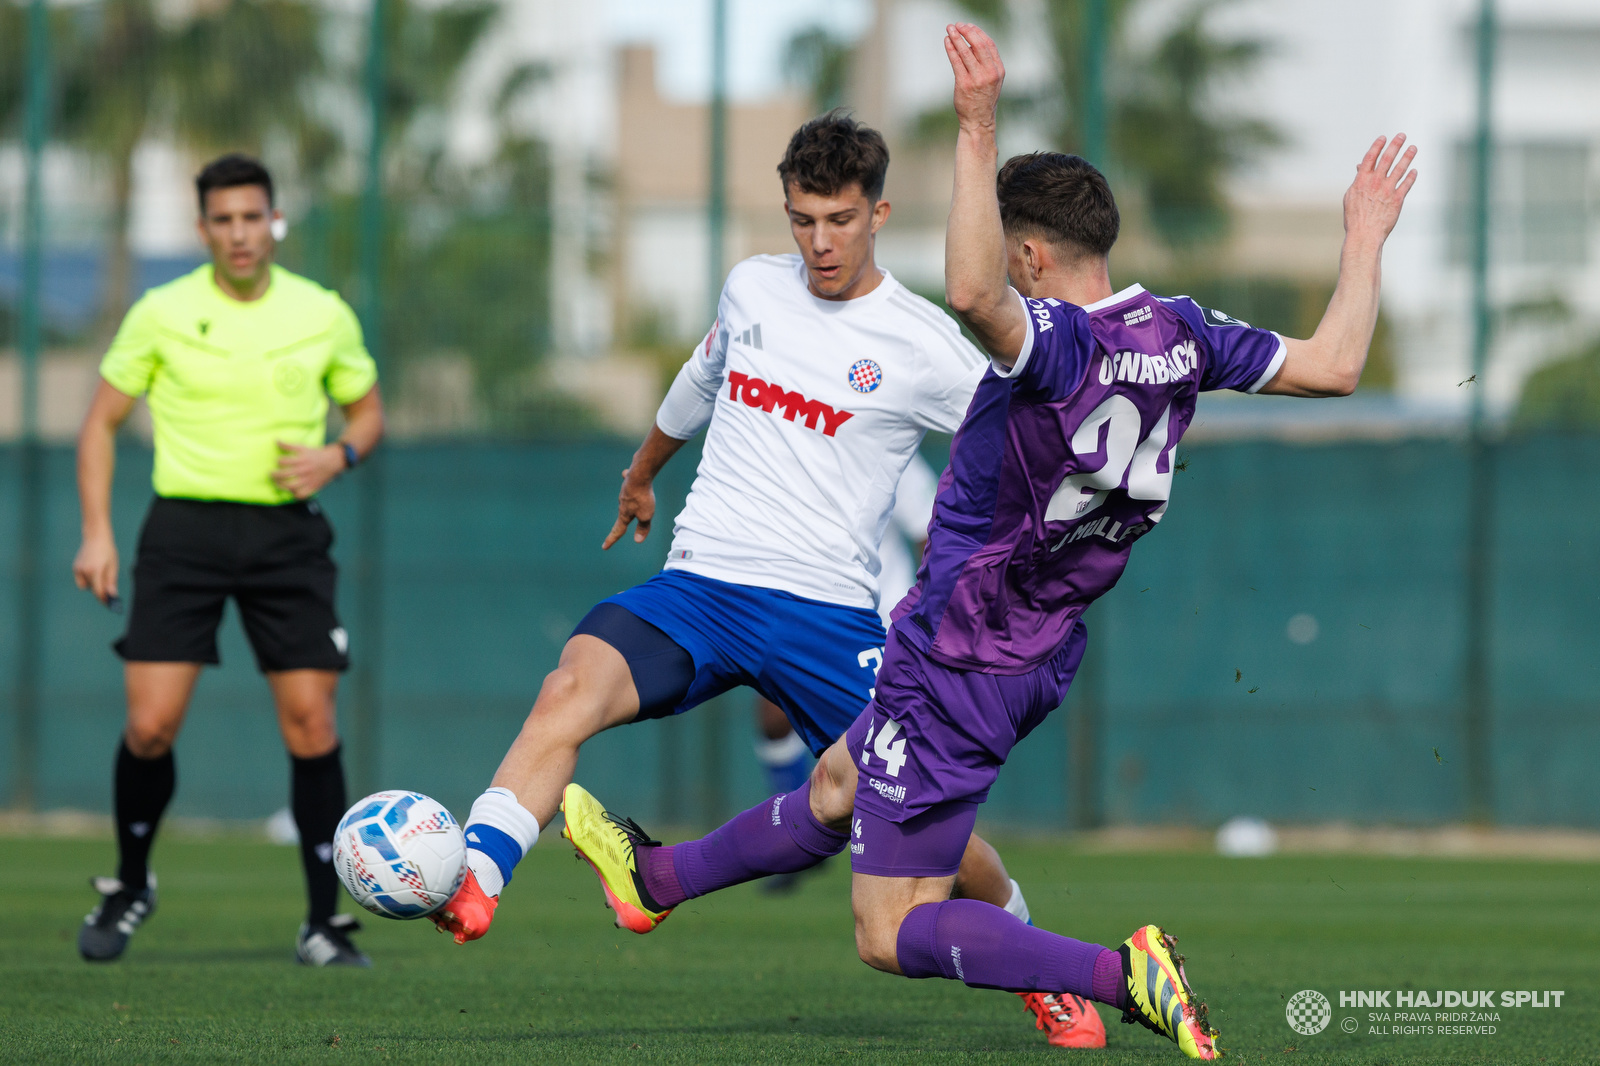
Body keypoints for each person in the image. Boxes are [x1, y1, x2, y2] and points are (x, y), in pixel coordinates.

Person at [561, 23, 1417, 1060]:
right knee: (835, 781)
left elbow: (971, 295)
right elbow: (1332, 364)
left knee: (889, 932)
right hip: (1036, 653)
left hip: (956, 654)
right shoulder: (1179, 333)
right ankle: (657, 881)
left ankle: (1118, 972)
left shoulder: (1052, 346)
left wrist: (975, 123)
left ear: (1030, 253)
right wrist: (1364, 234)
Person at [433, 111, 1045, 986]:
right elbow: (701, 377)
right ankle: (476, 880)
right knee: (566, 689)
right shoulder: (753, 287)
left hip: (826, 615)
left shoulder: (924, 347)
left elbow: (1021, 446)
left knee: (930, 826)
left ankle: (1037, 964)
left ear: (878, 213)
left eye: (840, 220)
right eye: (803, 219)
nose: (820, 242)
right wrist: (642, 471)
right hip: (701, 590)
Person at [72, 154, 385, 967]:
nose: (240, 233)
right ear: (203, 226)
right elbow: (100, 423)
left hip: (287, 538)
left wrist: (338, 457)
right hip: (183, 536)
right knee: (149, 726)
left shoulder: (322, 313)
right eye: (224, 220)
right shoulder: (160, 312)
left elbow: (368, 410)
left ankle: (324, 921)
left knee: (313, 724)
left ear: (274, 220)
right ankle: (131, 883)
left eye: (253, 217)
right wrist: (97, 531)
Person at [746, 452, 934, 894]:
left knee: (886, 750)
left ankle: (921, 853)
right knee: (772, 714)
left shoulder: (897, 454)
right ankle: (796, 844)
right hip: (819, 615)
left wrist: (925, 614)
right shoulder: (802, 452)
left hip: (881, 622)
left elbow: (930, 534)